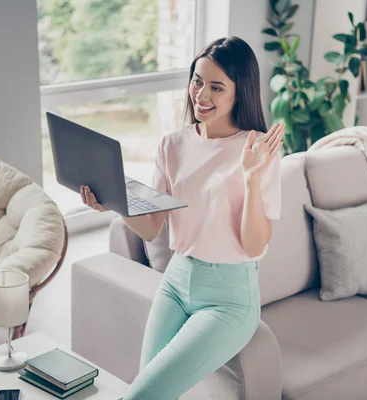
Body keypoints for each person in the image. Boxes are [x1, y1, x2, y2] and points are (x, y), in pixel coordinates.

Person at [81, 36, 284, 400]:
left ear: (241, 92)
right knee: (150, 389)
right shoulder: (172, 145)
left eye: (217, 87)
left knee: (141, 395)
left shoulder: (257, 149)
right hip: (177, 280)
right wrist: (112, 201)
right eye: (197, 81)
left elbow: (255, 243)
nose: (201, 95)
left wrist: (252, 179)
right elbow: (152, 226)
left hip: (230, 298)